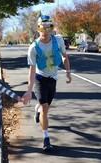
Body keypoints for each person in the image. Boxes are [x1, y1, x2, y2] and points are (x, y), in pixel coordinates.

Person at [22, 15, 72, 151]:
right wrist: (28, 90)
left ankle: (37, 110)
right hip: (40, 78)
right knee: (45, 109)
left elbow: (64, 57)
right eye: (41, 28)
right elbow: (32, 70)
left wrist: (68, 72)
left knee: (45, 107)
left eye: (48, 27)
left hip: (53, 79)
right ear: (38, 29)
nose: (45, 31)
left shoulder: (59, 41)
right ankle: (46, 138)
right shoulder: (33, 48)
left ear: (52, 28)